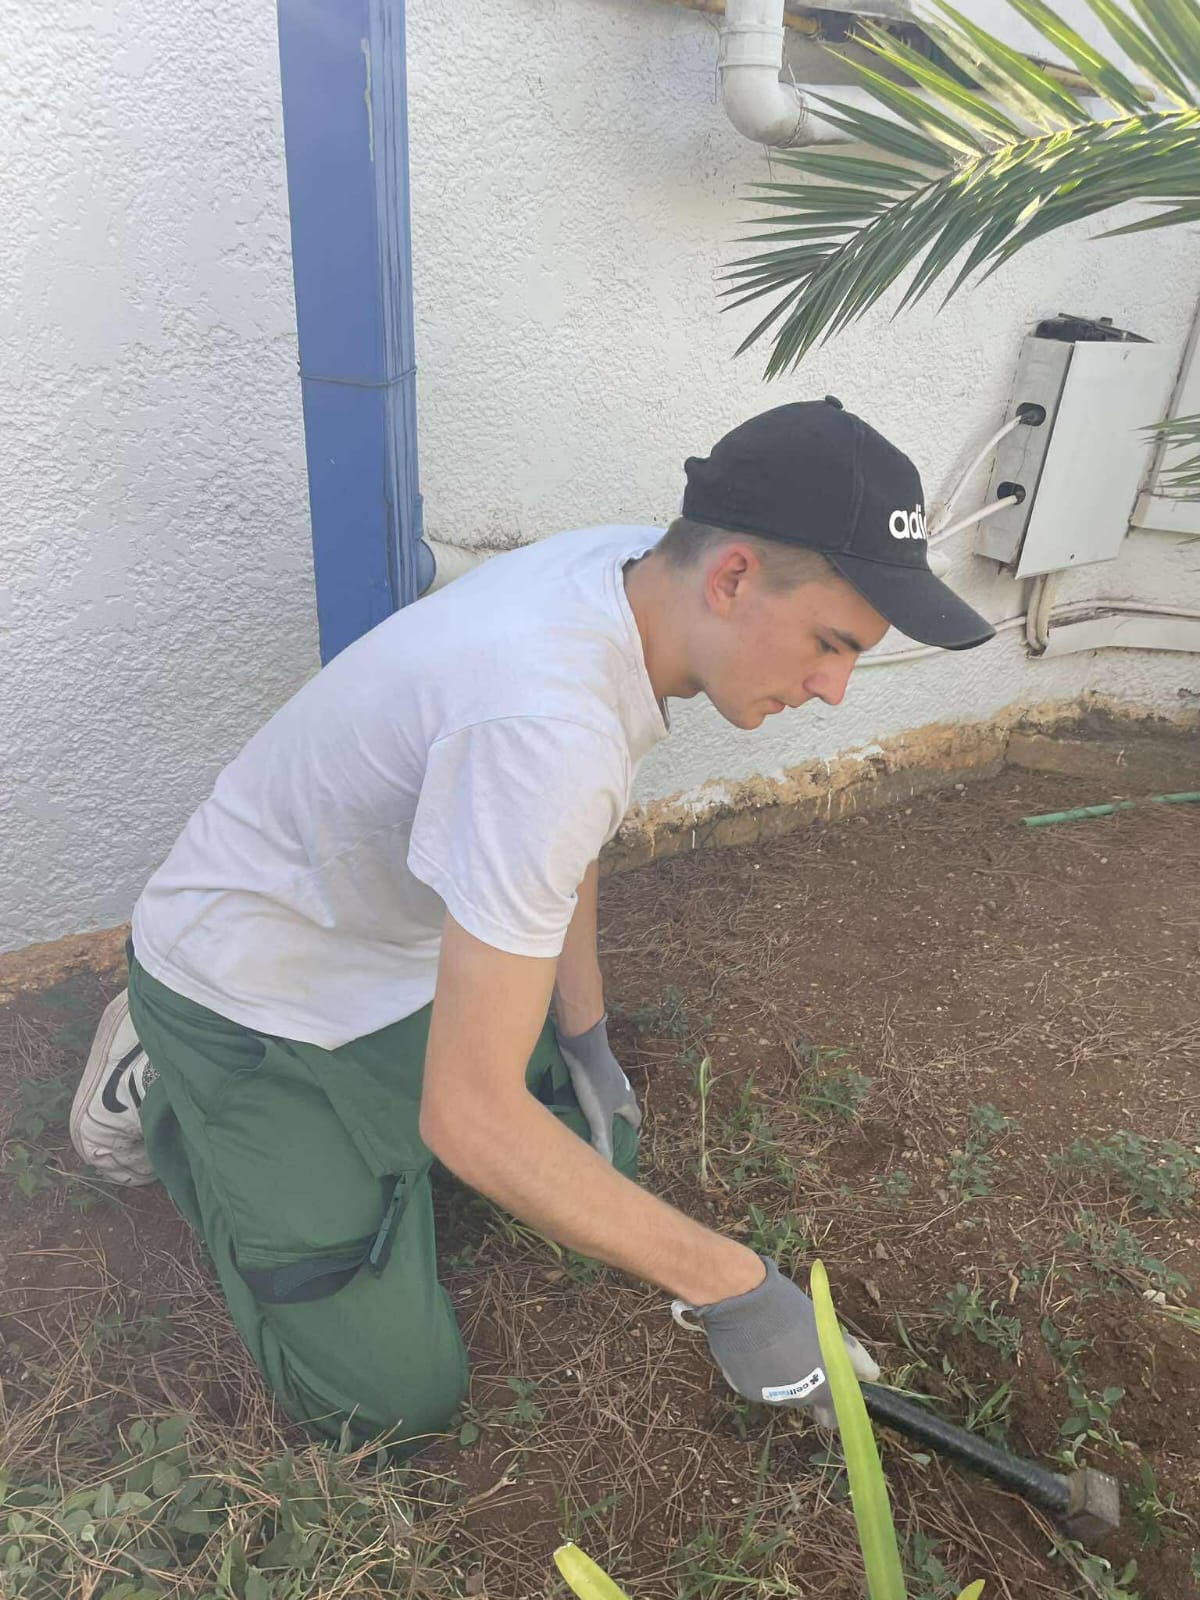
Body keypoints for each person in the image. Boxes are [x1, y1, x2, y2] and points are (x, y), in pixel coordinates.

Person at [70, 398, 993, 1452]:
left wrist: (585, 1038)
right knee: (391, 1400)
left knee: (599, 1149)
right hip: (246, 987)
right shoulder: (547, 718)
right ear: (733, 576)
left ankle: (370, 1123)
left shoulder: (632, 578)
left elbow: (555, 842)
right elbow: (469, 1115)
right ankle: (166, 1076)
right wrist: (736, 1288)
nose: (834, 689)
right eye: (831, 644)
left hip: (390, 950)